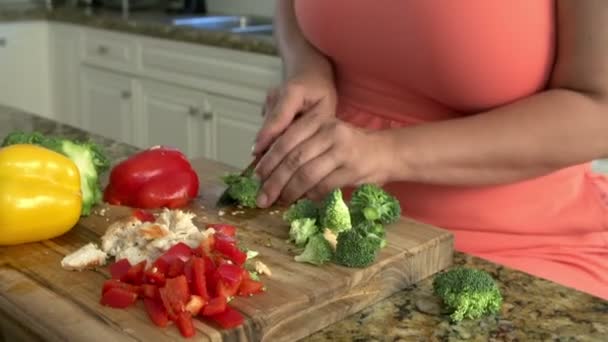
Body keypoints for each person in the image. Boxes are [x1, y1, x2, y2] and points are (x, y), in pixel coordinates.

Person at [251, 0, 608, 300]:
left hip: (511, 248)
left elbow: (599, 111)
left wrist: (388, 153)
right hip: (319, 226)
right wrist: (308, 67)